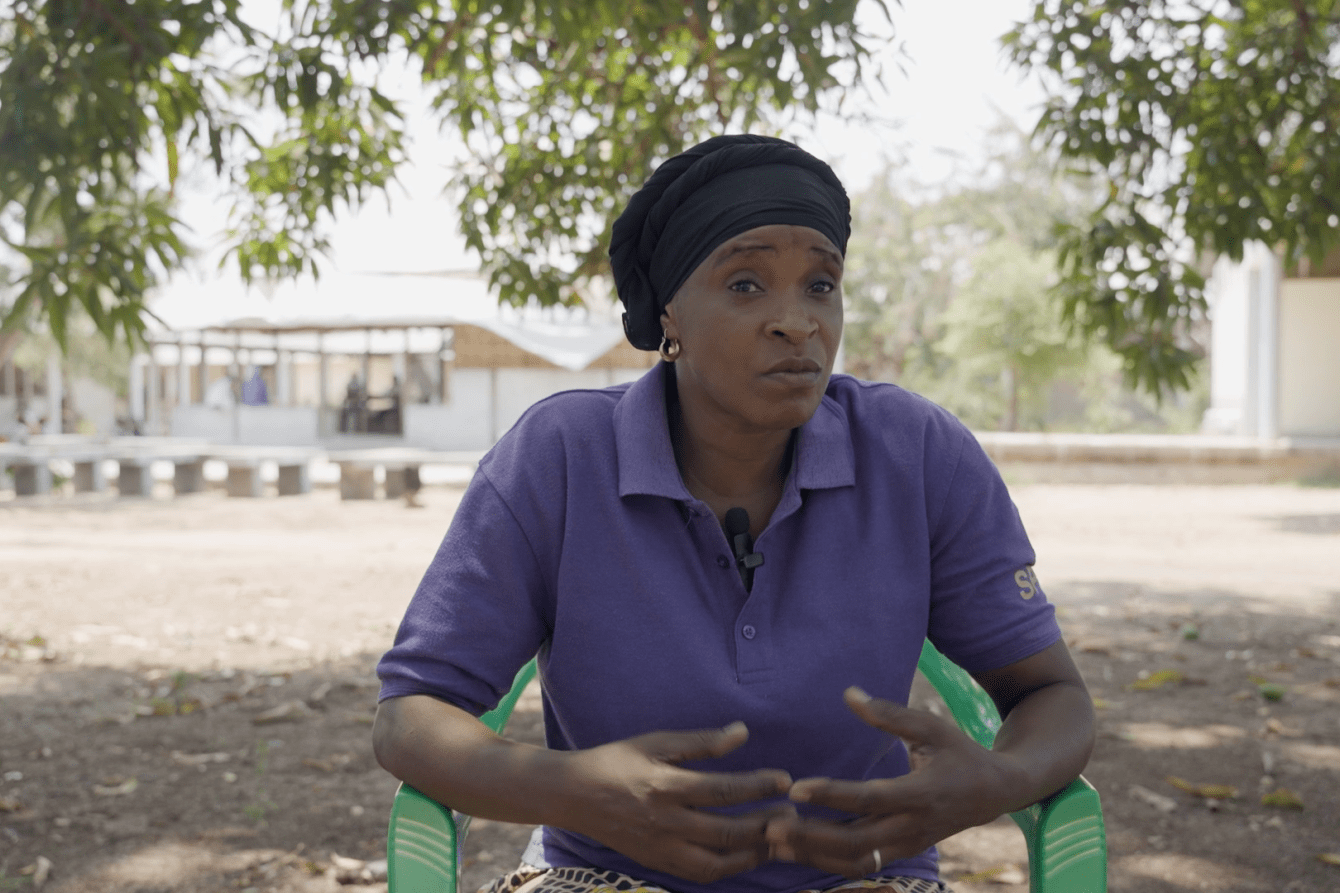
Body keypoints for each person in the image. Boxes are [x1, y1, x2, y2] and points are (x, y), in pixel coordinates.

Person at [373, 135, 1095, 893]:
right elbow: (412, 714)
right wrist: (578, 789)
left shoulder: (915, 455)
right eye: (746, 284)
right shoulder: (559, 458)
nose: (797, 321)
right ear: (669, 314)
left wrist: (992, 780)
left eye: (821, 285)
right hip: (605, 873)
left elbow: (1054, 696)